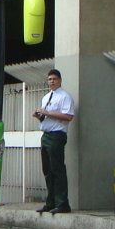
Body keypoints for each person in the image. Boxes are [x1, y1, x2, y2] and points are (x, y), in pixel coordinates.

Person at [33, 69, 75, 214]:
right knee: (47, 170)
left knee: (57, 169)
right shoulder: (46, 97)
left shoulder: (65, 96)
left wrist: (48, 113)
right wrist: (39, 116)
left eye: (54, 79)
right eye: (50, 79)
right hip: (46, 135)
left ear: (60, 80)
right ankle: (51, 202)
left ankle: (63, 203)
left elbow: (68, 116)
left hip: (57, 135)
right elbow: (46, 117)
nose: (52, 81)